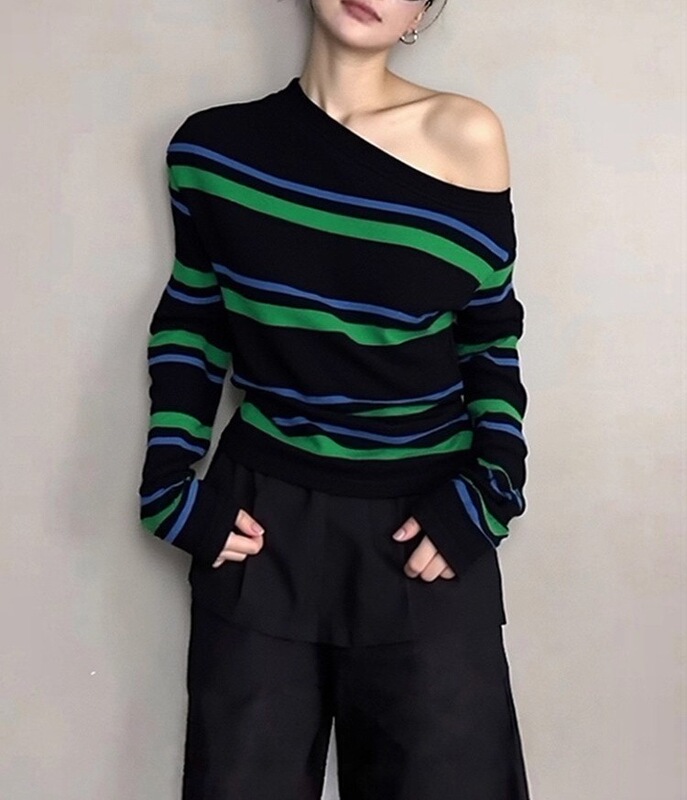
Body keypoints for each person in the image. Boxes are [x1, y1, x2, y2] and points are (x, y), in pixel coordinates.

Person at [137, 0, 531, 797]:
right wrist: (167, 489)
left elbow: (489, 340)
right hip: (261, 526)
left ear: (420, 12)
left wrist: (493, 492)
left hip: (427, 523)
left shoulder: (465, 135)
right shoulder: (212, 150)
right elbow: (194, 321)